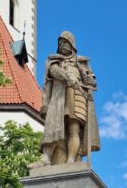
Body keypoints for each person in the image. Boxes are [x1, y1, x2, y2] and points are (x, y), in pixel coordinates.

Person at [38, 31, 100, 166]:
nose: (62, 44)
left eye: (65, 41)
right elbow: (53, 71)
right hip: (58, 98)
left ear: (72, 44)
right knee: (53, 126)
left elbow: (92, 82)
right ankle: (46, 158)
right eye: (60, 42)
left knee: (74, 129)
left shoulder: (82, 63)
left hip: (78, 96)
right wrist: (67, 75)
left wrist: (90, 81)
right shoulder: (54, 60)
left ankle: (71, 160)